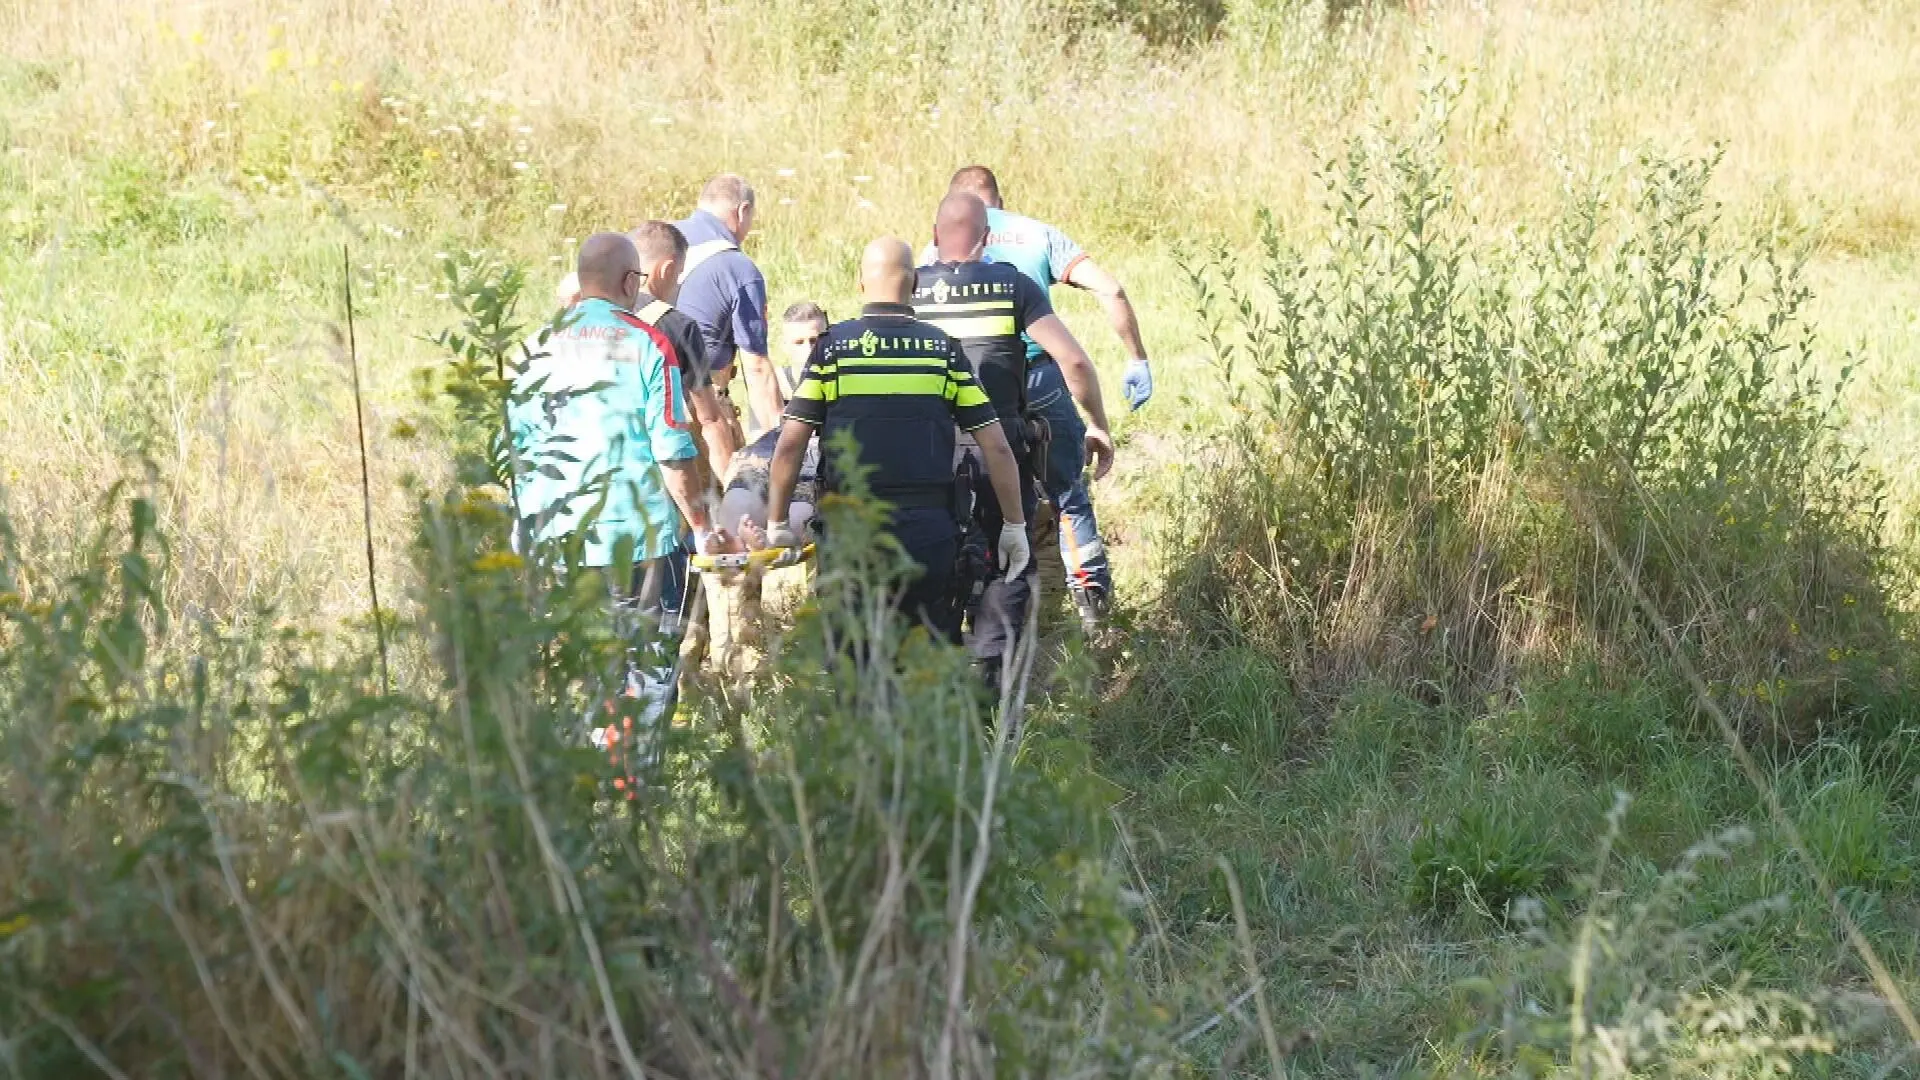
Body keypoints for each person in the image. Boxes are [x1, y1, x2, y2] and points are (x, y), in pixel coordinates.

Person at [766, 237, 1030, 645]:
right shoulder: (943, 351)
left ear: (860, 284)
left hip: (851, 532)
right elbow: (995, 445)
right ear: (916, 284)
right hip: (928, 534)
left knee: (856, 660)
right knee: (927, 658)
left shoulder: (832, 351)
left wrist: (778, 522)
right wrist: (1014, 524)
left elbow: (789, 445)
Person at [507, 232, 723, 726]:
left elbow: (514, 451)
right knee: (644, 676)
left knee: (585, 671)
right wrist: (702, 525)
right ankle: (634, 786)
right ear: (631, 281)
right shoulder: (648, 343)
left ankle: (586, 783)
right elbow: (671, 448)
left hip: (560, 538)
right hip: (640, 541)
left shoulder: (534, 348)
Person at [912, 193, 1108, 684]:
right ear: (986, 240)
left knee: (934, 565)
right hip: (999, 453)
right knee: (1007, 560)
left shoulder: (910, 290)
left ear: (934, 237)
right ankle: (991, 683)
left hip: (928, 459)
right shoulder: (1011, 286)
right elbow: (1075, 361)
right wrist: (1097, 423)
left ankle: (936, 680)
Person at [944, 165, 1143, 630]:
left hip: (974, 384)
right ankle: (1093, 617)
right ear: (1000, 198)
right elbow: (1109, 288)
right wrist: (1132, 366)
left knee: (969, 494)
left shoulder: (940, 246)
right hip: (1039, 375)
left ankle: (984, 606)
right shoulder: (1038, 234)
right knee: (1069, 493)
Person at [674, 174, 784, 440]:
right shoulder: (739, 269)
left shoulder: (651, 240)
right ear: (743, 211)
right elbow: (756, 365)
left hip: (635, 402)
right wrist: (776, 446)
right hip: (700, 406)